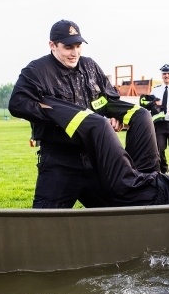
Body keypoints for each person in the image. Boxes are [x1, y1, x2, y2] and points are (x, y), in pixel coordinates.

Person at [8, 19, 159, 209]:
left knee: (119, 214)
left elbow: (107, 100)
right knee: (45, 225)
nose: (75, 53)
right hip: (59, 162)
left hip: (96, 159)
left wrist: (116, 116)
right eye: (68, 47)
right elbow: (17, 103)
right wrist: (58, 115)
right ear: (52, 45)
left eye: (78, 46)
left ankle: (146, 181)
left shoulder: (90, 67)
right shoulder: (37, 71)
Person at [30, 95, 169, 218]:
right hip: (153, 179)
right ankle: (101, 99)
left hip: (136, 191)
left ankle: (42, 102)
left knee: (99, 127)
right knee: (142, 115)